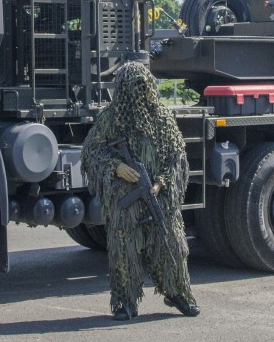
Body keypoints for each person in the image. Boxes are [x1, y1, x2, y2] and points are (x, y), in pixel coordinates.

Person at [80, 61, 199, 320]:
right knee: (124, 250)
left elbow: (177, 156)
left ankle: (177, 291)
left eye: (143, 86)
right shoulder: (111, 119)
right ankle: (125, 301)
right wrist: (116, 166)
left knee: (172, 246)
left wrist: (162, 182)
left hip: (159, 197)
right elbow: (91, 151)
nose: (139, 91)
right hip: (126, 198)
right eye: (133, 86)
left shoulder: (163, 119)